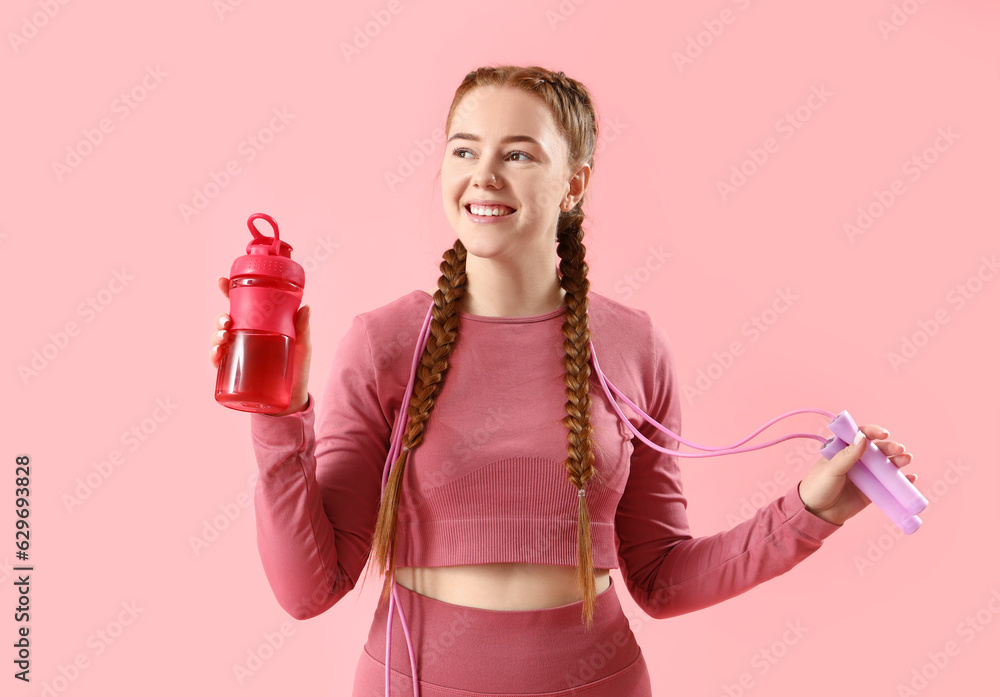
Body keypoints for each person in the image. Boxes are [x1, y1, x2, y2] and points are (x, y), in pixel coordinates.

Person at [209, 65, 916, 696]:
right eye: (464, 149)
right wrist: (276, 415)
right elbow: (308, 589)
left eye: (518, 154)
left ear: (574, 183)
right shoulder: (384, 342)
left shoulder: (632, 342)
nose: (483, 176)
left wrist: (810, 509)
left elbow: (663, 579)